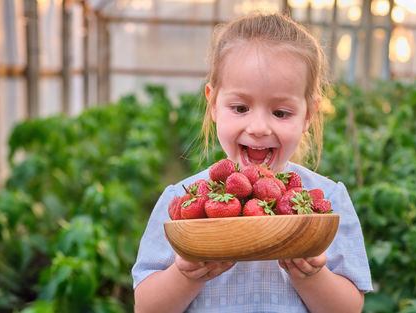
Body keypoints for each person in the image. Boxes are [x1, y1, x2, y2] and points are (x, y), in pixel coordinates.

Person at [132, 12, 372, 313]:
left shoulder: (326, 202)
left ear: (308, 115)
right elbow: (146, 307)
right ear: (214, 104)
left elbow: (349, 308)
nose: (258, 127)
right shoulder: (183, 201)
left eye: (280, 113)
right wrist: (184, 275)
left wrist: (312, 275)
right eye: (241, 107)